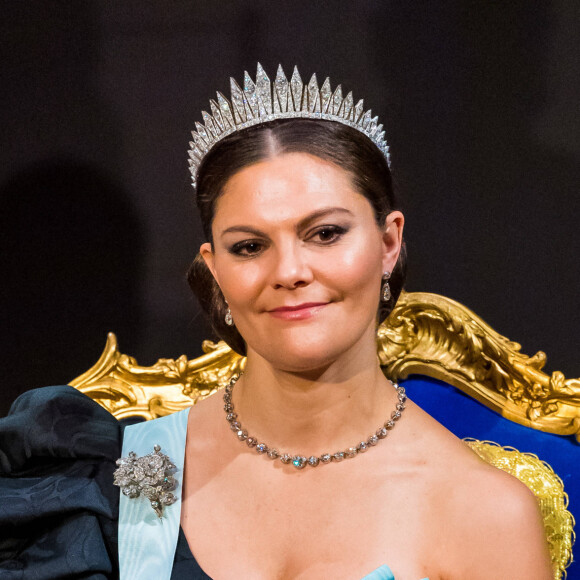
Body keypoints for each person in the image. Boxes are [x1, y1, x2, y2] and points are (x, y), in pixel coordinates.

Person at [0, 65, 552, 580]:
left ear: (388, 242)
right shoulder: (120, 473)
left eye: (326, 233)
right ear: (213, 268)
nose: (289, 271)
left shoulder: (485, 515)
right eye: (249, 246)